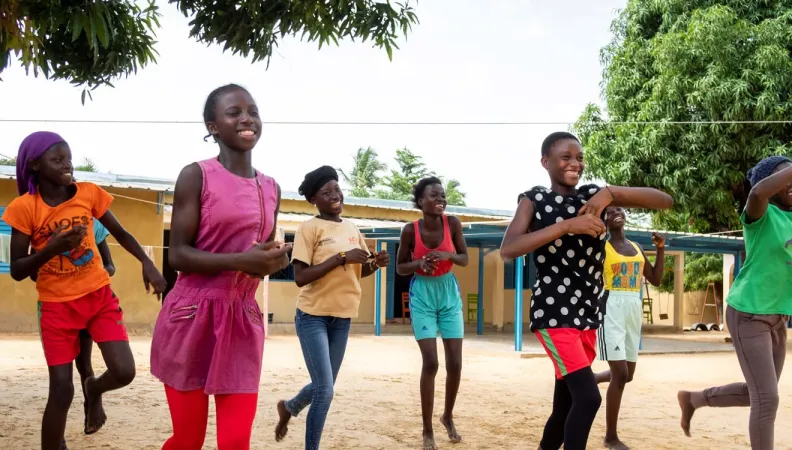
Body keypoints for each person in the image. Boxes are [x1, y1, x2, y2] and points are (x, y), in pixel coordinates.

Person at [499, 131, 672, 450]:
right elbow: (508, 249)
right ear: (545, 162)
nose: (574, 163)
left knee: (564, 406)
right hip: (554, 314)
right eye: (565, 157)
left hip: (587, 317)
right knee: (589, 398)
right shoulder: (534, 199)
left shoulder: (595, 198)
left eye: (579, 157)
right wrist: (566, 226)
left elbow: (664, 200)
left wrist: (611, 192)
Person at [3, 131, 166, 450]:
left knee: (124, 371)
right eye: (58, 159)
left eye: (69, 158)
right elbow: (19, 270)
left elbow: (121, 233)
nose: (68, 165)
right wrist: (53, 248)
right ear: (35, 165)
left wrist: (147, 263)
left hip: (98, 297)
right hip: (56, 307)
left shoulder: (89, 193)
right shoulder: (25, 208)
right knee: (61, 390)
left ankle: (94, 389)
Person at [150, 84, 291, 450]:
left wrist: (271, 261)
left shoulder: (272, 188)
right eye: (234, 112)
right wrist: (241, 261)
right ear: (213, 126)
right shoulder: (196, 175)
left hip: (242, 318)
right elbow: (177, 255)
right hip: (190, 316)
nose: (247, 119)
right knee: (188, 441)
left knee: (234, 442)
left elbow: (257, 255)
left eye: (253, 111)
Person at [677, 156, 792, 450]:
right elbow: (757, 193)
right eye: (783, 177)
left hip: (778, 318)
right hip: (749, 313)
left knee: (759, 393)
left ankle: (694, 399)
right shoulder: (760, 214)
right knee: (767, 399)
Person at [274, 165, 389, 450]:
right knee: (325, 390)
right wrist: (340, 257)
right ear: (314, 199)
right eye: (326, 192)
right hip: (313, 316)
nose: (334, 195)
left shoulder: (351, 228)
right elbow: (300, 277)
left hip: (343, 317)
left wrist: (375, 263)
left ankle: (289, 407)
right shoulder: (308, 228)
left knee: (322, 385)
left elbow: (357, 270)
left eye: (337, 189)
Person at [396, 176, 469, 450]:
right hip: (423, 295)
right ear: (420, 202)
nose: (440, 200)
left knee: (456, 364)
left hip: (448, 292)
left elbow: (464, 258)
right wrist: (419, 263)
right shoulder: (409, 230)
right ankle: (427, 431)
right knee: (431, 363)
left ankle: (447, 416)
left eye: (442, 196)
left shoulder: (453, 224)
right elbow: (400, 267)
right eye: (434, 196)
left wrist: (448, 256)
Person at [30, 218, 116, 440]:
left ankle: (92, 406)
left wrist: (90, 275)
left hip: (90, 303)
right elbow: (31, 272)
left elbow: (110, 265)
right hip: (58, 307)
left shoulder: (92, 223)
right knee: (61, 383)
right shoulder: (42, 224)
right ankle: (58, 440)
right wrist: (54, 250)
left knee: (85, 365)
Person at [593, 207, 665, 450]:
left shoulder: (636, 248)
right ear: (604, 220)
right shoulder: (602, 247)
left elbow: (655, 278)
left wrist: (661, 249)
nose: (615, 213)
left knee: (628, 374)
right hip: (611, 305)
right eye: (609, 212)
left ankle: (594, 378)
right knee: (621, 374)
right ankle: (610, 437)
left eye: (618, 209)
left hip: (633, 305)